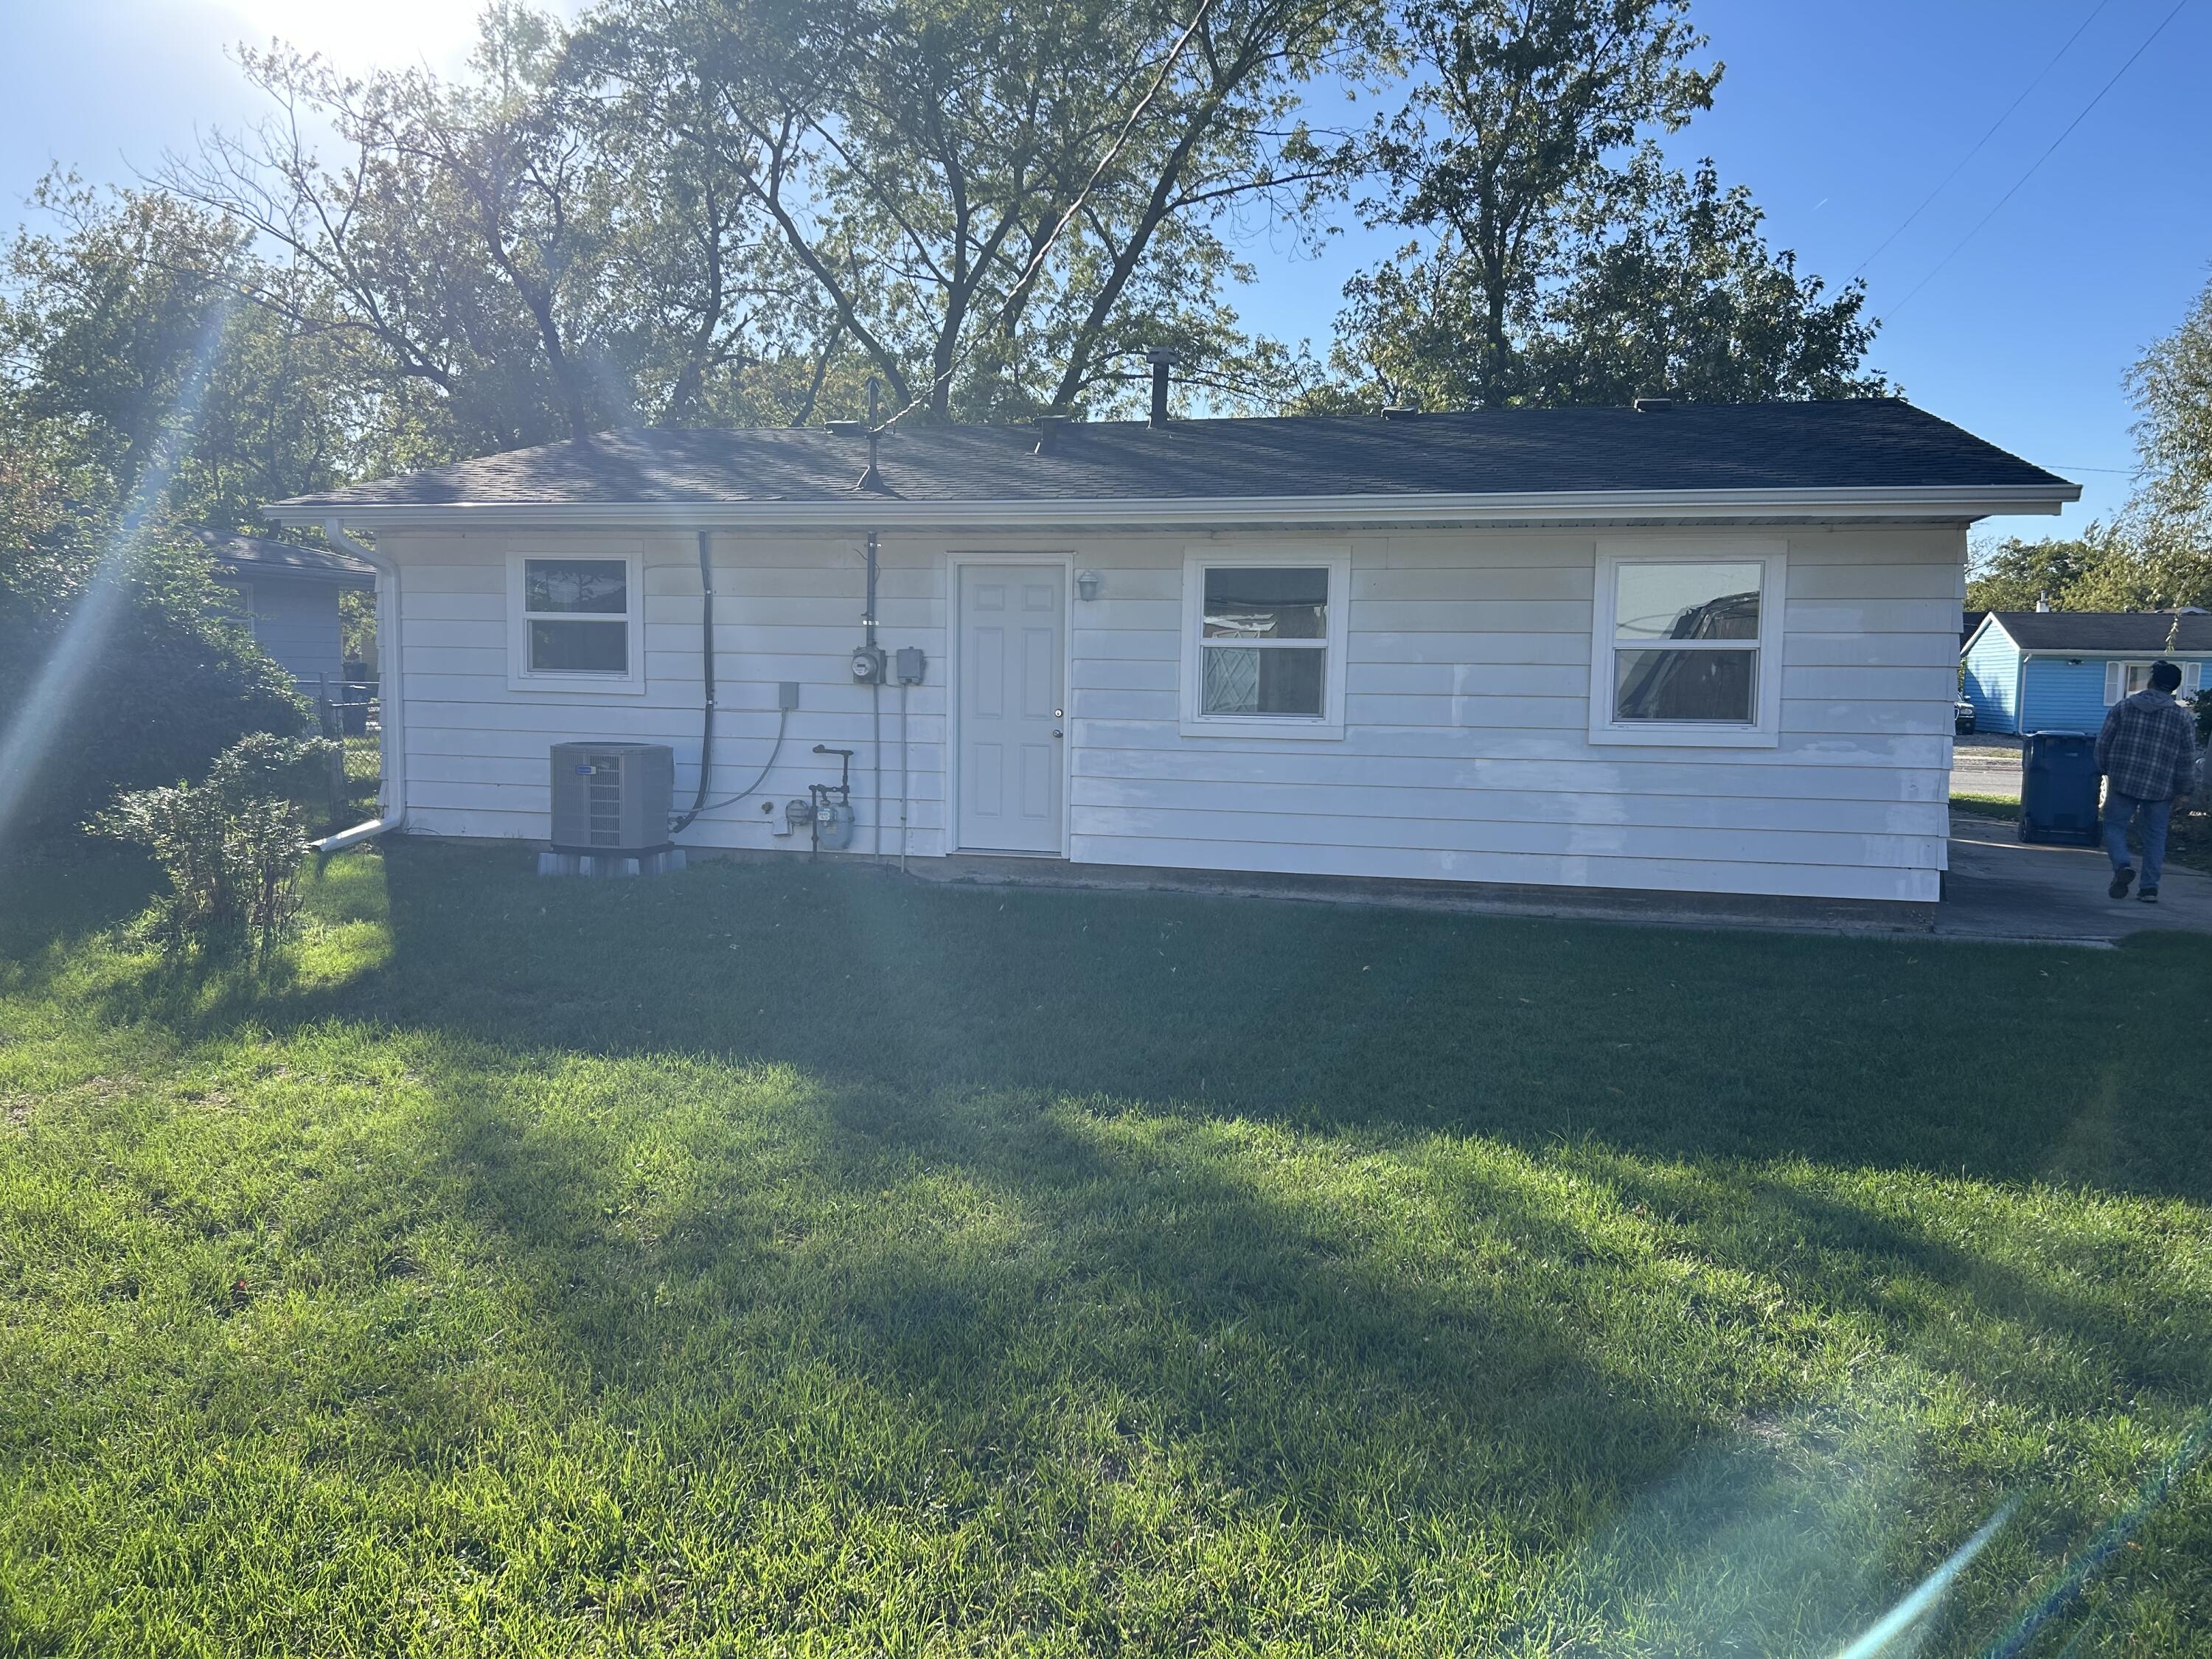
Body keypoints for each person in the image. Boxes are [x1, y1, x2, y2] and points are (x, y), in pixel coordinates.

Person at [2094, 658, 2198, 902]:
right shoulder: (2182, 718)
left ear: (2150, 682)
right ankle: (2149, 888)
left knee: (2114, 826)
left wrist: (2102, 768)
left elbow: (2104, 741)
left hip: (2123, 779)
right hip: (2161, 786)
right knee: (2155, 836)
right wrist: (2184, 790)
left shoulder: (2123, 707)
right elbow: (2186, 758)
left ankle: (2122, 866)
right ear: (2174, 688)